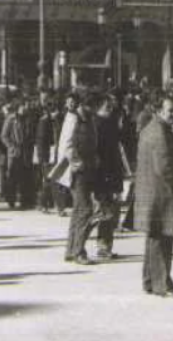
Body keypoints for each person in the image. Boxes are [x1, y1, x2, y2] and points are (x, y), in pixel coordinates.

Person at [134, 96, 173, 298]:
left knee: (154, 237)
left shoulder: (150, 129)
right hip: (162, 193)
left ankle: (150, 280)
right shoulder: (160, 133)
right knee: (164, 236)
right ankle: (162, 283)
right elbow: (165, 167)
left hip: (151, 192)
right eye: (171, 111)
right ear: (159, 111)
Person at [59, 93, 100, 265]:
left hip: (88, 169)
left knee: (78, 210)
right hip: (77, 171)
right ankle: (78, 251)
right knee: (85, 210)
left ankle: (71, 249)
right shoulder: (74, 118)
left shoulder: (89, 119)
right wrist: (77, 162)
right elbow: (66, 145)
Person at [94, 93, 125, 260]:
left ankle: (106, 246)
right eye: (107, 107)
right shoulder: (98, 124)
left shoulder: (111, 123)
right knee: (103, 212)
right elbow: (99, 153)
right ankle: (101, 246)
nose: (110, 109)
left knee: (111, 212)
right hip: (103, 175)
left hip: (113, 173)